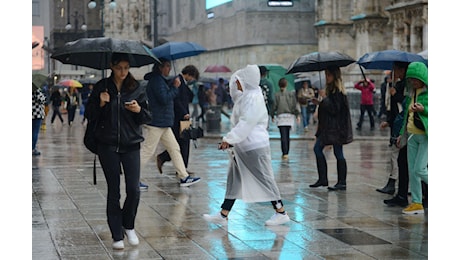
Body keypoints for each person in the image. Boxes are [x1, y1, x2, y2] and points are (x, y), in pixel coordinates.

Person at [203, 64, 290, 226]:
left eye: (239, 81)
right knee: (233, 179)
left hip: (254, 146)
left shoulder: (252, 98)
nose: (236, 84)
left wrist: (229, 139)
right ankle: (223, 214)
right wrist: (231, 141)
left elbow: (247, 122)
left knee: (264, 178)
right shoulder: (250, 95)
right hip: (244, 146)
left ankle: (281, 212)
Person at [84, 53, 152, 250]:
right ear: (112, 67)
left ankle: (128, 224)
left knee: (133, 189)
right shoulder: (101, 87)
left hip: (131, 144)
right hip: (108, 145)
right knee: (113, 191)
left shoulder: (137, 88)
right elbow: (89, 115)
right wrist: (101, 103)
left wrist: (138, 110)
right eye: (119, 67)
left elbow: (147, 116)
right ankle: (116, 234)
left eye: (126, 67)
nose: (123, 72)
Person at [140, 58, 201, 187]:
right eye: (167, 66)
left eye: (169, 66)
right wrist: (174, 88)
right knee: (147, 151)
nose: (169, 69)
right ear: (160, 67)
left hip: (164, 122)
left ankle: (183, 176)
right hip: (157, 122)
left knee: (174, 149)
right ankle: (133, 178)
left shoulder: (161, 80)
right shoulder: (156, 81)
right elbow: (164, 98)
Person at [309, 66, 353, 190]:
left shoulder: (338, 92)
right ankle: (323, 179)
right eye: (326, 75)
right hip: (328, 128)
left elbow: (335, 109)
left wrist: (323, 102)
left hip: (336, 128)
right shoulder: (331, 90)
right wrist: (321, 102)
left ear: (334, 76)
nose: (326, 77)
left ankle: (341, 182)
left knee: (338, 153)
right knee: (318, 149)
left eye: (328, 75)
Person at [156, 65, 199, 175]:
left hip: (184, 117)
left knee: (183, 143)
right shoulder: (177, 81)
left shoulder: (183, 83)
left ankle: (181, 167)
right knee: (182, 143)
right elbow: (175, 100)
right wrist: (184, 112)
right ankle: (166, 159)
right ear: (189, 74)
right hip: (180, 117)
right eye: (193, 78)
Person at [398, 61, 428, 215]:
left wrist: (424, 109)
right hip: (411, 136)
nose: (414, 82)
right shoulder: (412, 94)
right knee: (412, 170)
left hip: (425, 136)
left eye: (416, 79)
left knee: (420, 169)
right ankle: (417, 203)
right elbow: (406, 117)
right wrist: (401, 135)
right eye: (411, 79)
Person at [383, 61, 410, 207]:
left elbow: (405, 105)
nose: (394, 72)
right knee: (402, 161)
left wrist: (397, 95)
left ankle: (404, 194)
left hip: (407, 127)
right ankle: (401, 194)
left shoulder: (409, 84)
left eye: (396, 69)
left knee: (411, 164)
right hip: (400, 126)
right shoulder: (399, 84)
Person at [271, 78, 300, 160]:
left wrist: (272, 115)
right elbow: (294, 106)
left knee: (282, 135)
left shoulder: (276, 95)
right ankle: (287, 151)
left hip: (280, 117)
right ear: (286, 84)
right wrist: (297, 115)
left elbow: (274, 106)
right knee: (287, 135)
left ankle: (284, 152)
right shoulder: (290, 94)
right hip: (289, 116)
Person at [32, 87, 46, 156]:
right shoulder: (35, 89)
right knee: (35, 132)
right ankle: (32, 148)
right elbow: (41, 100)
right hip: (36, 114)